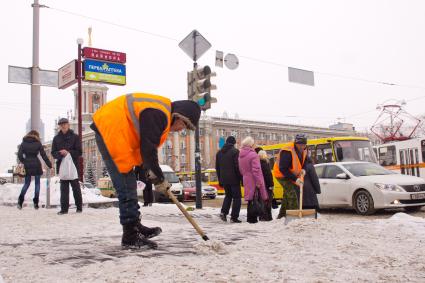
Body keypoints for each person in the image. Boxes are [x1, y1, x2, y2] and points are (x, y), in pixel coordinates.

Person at [90, 92, 201, 249]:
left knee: (129, 185)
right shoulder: (159, 114)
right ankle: (130, 236)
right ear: (178, 116)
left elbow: (145, 149)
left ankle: (135, 226)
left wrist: (152, 173)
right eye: (183, 125)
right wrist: (160, 178)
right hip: (111, 130)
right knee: (126, 184)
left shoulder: (161, 112)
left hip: (118, 131)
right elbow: (148, 150)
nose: (180, 130)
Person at [274, 134, 310, 219]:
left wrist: (304, 169)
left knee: (287, 196)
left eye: (303, 145)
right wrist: (295, 179)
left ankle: (281, 216)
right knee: (292, 195)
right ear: (296, 143)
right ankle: (294, 218)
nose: (302, 147)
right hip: (281, 174)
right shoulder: (287, 150)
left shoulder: (305, 149)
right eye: (300, 145)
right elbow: (283, 168)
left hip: (292, 174)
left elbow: (305, 161)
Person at [51, 118, 83, 215]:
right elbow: (53, 153)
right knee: (64, 189)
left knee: (76, 188)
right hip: (62, 166)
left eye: (65, 124)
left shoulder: (75, 137)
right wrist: (61, 154)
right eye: (61, 125)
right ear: (59, 126)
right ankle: (64, 209)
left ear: (68, 125)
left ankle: (79, 207)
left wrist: (68, 152)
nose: (63, 126)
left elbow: (79, 152)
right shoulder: (56, 139)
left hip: (73, 166)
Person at [17, 130, 52, 209]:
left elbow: (19, 155)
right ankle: (36, 203)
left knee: (27, 183)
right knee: (37, 184)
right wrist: (49, 164)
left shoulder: (23, 143)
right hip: (36, 164)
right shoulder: (38, 143)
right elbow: (43, 155)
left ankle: (20, 200)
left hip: (27, 164)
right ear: (36, 135)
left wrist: (24, 161)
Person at [238, 137, 268, 223]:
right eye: (253, 143)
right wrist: (258, 181)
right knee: (256, 198)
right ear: (251, 144)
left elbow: (240, 169)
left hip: (246, 178)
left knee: (251, 199)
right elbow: (256, 170)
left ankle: (250, 218)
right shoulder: (253, 155)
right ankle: (254, 218)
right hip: (254, 179)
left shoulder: (240, 155)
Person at [216, 136, 242, 223]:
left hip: (224, 179)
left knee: (228, 196)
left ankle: (223, 212)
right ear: (234, 143)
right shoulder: (235, 152)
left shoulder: (219, 153)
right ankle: (234, 217)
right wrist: (240, 178)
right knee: (237, 197)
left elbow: (217, 168)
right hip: (234, 179)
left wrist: (220, 180)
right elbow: (237, 166)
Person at [258, 150, 274, 221]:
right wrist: (271, 185)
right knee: (268, 201)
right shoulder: (265, 163)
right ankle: (267, 217)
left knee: (261, 201)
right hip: (267, 185)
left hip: (260, 185)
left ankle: (261, 216)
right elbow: (268, 175)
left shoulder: (257, 163)